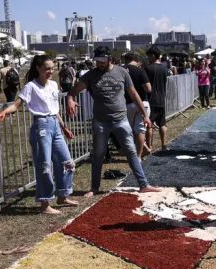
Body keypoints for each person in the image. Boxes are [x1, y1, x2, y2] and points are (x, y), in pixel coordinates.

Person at [66, 46, 161, 197]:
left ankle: (143, 184)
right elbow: (73, 91)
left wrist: (145, 114)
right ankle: (94, 188)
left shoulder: (122, 72)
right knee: (98, 154)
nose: (99, 64)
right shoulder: (91, 75)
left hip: (121, 120)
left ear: (110, 58)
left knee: (131, 151)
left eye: (102, 61)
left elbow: (134, 94)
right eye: (97, 61)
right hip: (101, 122)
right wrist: (70, 99)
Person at [0, 55, 77, 215]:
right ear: (38, 68)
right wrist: (4, 112)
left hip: (55, 125)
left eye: (52, 68)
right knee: (44, 165)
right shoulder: (31, 86)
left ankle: (63, 195)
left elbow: (55, 109)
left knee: (67, 162)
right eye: (47, 69)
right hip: (41, 127)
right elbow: (17, 105)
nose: (50, 71)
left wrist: (64, 127)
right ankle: (45, 203)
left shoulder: (53, 85)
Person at [123, 52, 153, 158]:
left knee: (128, 131)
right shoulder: (140, 71)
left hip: (128, 103)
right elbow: (148, 88)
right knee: (140, 130)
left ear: (125, 60)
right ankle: (138, 156)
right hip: (143, 103)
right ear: (136, 60)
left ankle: (131, 154)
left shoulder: (121, 70)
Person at [145, 46, 169, 151]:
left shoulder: (147, 68)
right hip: (161, 100)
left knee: (149, 125)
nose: (148, 58)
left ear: (153, 55)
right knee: (162, 124)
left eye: (149, 56)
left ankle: (149, 147)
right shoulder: (164, 69)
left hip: (151, 100)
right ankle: (164, 145)